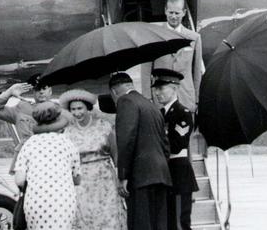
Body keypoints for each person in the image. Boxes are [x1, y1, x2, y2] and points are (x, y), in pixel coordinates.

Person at [110, 72, 171, 230]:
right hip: (160, 173)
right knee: (159, 224)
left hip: (140, 175)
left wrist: (123, 175)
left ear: (114, 92)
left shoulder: (125, 101)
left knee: (141, 224)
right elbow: (165, 143)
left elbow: (126, 140)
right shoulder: (151, 104)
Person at [60, 89, 127, 230]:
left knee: (108, 216)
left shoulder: (104, 126)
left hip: (105, 180)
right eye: (73, 109)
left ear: (88, 108)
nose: (77, 113)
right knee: (84, 217)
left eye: (80, 108)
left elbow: (116, 155)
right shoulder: (67, 132)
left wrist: (122, 178)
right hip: (81, 183)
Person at [14, 101, 81, 230]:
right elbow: (77, 178)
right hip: (63, 201)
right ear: (58, 119)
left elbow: (19, 180)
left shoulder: (29, 144)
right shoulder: (67, 143)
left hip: (35, 202)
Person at [0, 73, 71, 172]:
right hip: (27, 161)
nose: (41, 92)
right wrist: (9, 92)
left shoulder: (61, 111)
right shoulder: (22, 108)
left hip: (53, 160)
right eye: (37, 89)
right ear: (33, 91)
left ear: (50, 90)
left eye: (44, 88)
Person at [151, 69, 199, 230]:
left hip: (178, 171)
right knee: (168, 223)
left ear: (175, 88)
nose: (157, 93)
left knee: (180, 223)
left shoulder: (182, 113)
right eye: (156, 89)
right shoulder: (159, 114)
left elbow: (177, 144)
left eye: (161, 88)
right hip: (165, 172)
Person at [145, 0, 203, 112]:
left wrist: (196, 99)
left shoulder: (194, 38)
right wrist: (148, 98)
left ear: (184, 13)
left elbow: (197, 72)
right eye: (170, 12)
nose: (173, 16)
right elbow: (146, 71)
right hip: (160, 97)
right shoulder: (152, 36)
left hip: (185, 96)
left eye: (177, 13)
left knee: (185, 129)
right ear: (165, 11)